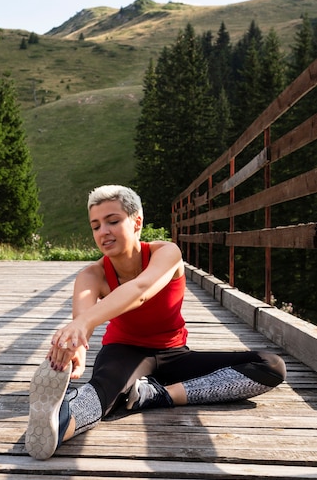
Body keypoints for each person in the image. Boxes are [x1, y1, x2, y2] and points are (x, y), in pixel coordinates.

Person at [25, 185, 286, 460]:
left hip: (175, 355)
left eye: (113, 221)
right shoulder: (92, 275)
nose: (103, 231)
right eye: (96, 225)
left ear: (137, 222)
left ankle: (156, 395)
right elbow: (82, 317)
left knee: (270, 366)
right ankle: (57, 424)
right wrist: (76, 345)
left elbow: (141, 289)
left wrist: (82, 324)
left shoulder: (167, 253)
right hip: (123, 350)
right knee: (105, 390)